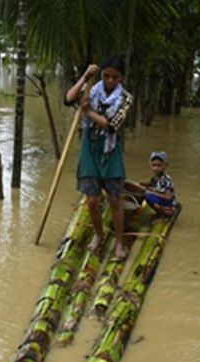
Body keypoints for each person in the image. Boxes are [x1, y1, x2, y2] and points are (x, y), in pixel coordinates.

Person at [65, 56, 133, 259]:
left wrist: (87, 112)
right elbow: (68, 99)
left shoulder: (125, 99)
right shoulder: (91, 90)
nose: (110, 81)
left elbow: (112, 125)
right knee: (93, 201)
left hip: (110, 151)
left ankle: (119, 243)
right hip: (90, 148)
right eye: (106, 76)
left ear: (121, 78)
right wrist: (85, 77)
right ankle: (99, 236)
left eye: (115, 77)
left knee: (114, 199)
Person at [141, 151, 177, 217]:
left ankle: (162, 213)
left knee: (147, 196)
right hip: (162, 199)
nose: (156, 168)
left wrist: (152, 193)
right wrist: (139, 184)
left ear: (165, 165)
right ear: (150, 165)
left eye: (159, 165)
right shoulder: (156, 176)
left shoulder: (166, 179)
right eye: (154, 165)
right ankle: (159, 209)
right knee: (141, 192)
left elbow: (168, 197)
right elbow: (150, 183)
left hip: (169, 204)